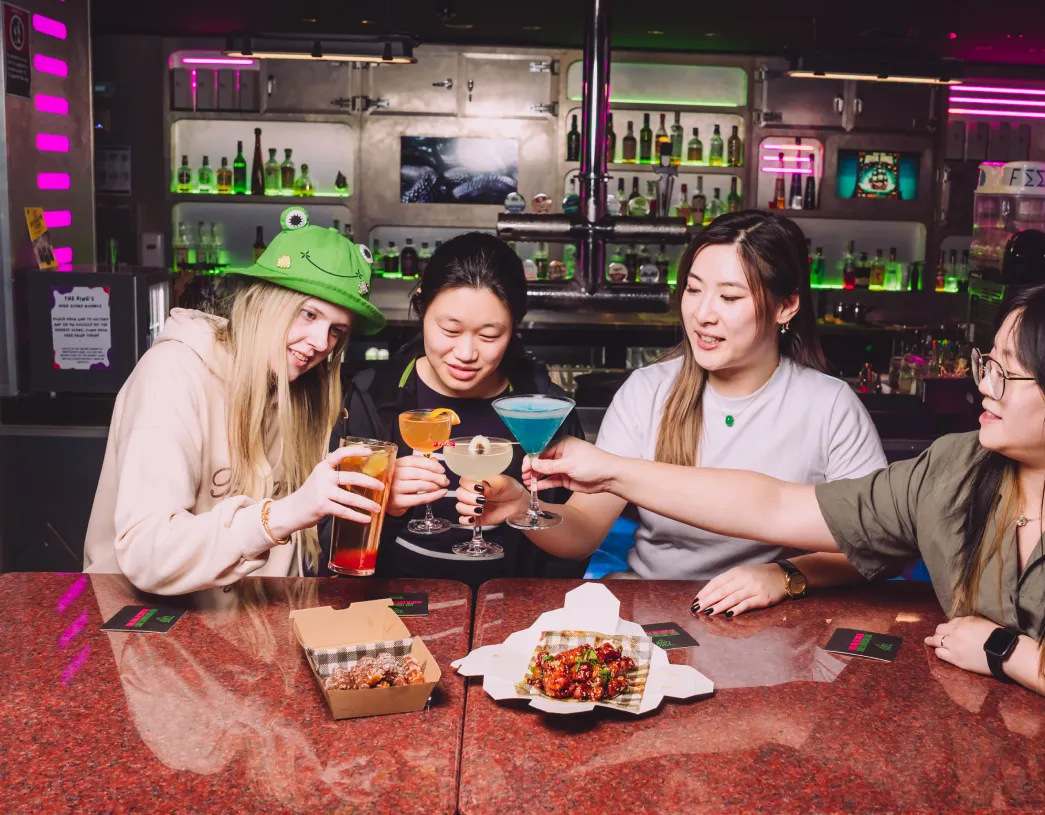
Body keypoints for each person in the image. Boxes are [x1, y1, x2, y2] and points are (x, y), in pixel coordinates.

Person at [514, 281, 1045, 780]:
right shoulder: (957, 467)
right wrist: (610, 469)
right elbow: (779, 508)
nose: (980, 382)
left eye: (1007, 374)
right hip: (975, 767)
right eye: (987, 360)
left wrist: (1006, 650)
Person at [458, 211, 886, 611]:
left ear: (786, 306)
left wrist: (785, 575)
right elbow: (585, 531)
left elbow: (879, 544)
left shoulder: (829, 405)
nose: (702, 314)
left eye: (730, 297)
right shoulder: (648, 390)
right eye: (694, 289)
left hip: (778, 618)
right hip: (652, 606)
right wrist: (521, 507)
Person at [84, 207, 388, 595]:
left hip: (249, 628)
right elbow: (147, 552)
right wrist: (282, 515)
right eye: (308, 314)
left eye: (336, 331)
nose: (320, 343)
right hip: (146, 626)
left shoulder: (296, 389)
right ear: (264, 301)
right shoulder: (173, 373)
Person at [332, 232, 587, 587]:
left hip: (514, 611)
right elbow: (333, 536)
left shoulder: (541, 409)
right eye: (449, 329)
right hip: (395, 606)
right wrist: (381, 502)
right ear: (422, 306)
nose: (465, 353)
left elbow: (577, 538)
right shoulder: (375, 396)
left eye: (489, 335)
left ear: (514, 326)